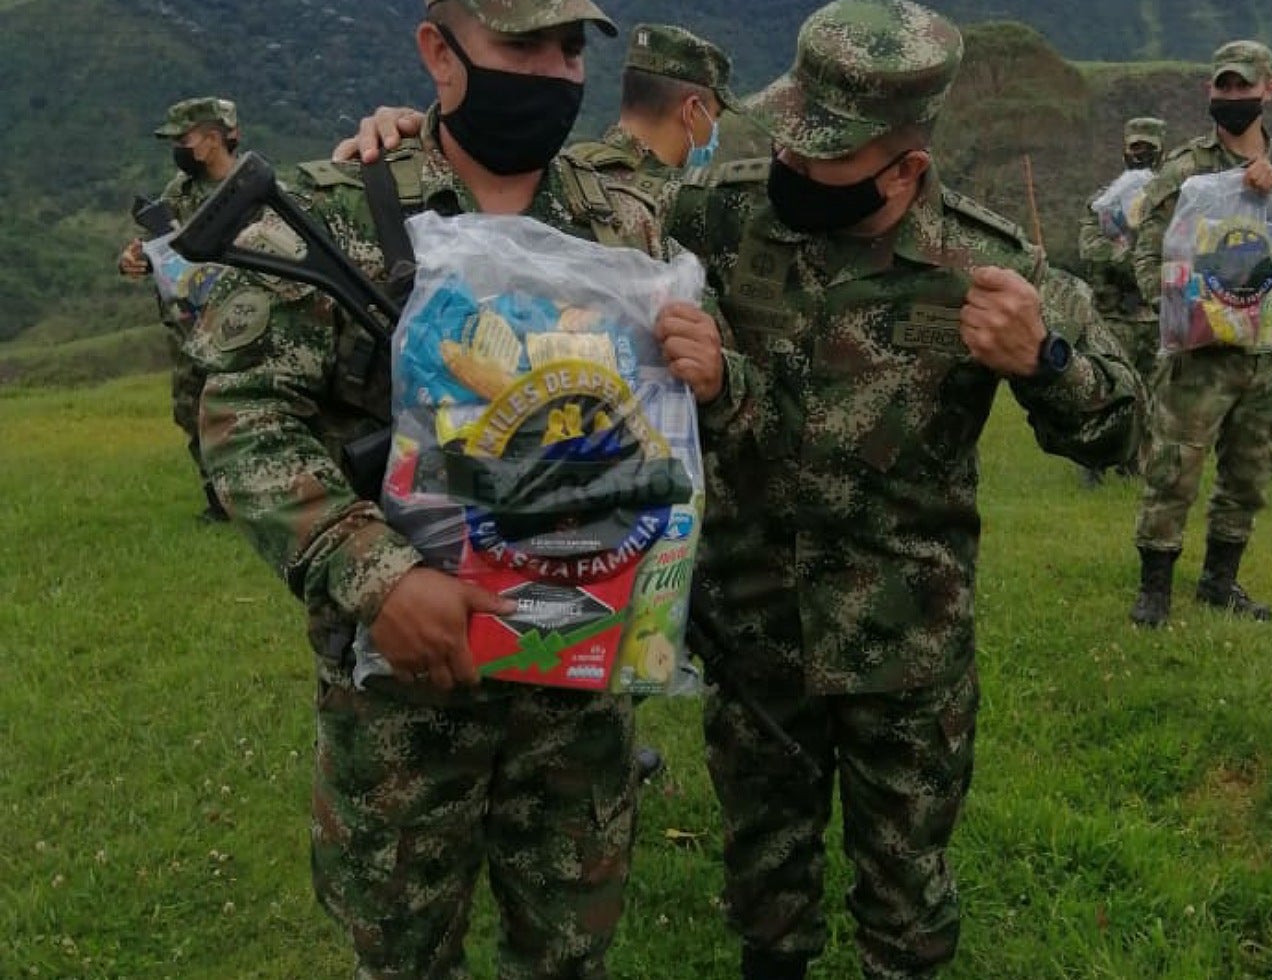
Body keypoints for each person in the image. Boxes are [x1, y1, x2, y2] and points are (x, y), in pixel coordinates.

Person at [188, 1, 723, 976]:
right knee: (402, 954)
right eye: (523, 45)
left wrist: (716, 371)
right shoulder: (342, 209)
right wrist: (377, 573)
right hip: (408, 692)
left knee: (569, 951)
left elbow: (688, 423)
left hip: (581, 686)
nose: (556, 73)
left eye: (570, 51)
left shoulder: (629, 225)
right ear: (439, 52)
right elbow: (246, 418)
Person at [664, 2, 1143, 977]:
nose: (792, 170)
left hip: (906, 653)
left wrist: (1046, 363)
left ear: (906, 168)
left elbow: (1127, 423)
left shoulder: (987, 267)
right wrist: (406, 151)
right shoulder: (724, 213)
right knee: (766, 880)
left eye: (823, 160)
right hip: (754, 629)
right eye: (788, 143)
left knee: (906, 894)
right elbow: (576, 220)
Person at [1128, 40, 1272, 628]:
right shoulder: (1184, 169)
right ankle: (1154, 591)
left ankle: (1220, 583)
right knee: (1173, 466)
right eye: (1224, 87)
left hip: (1265, 351)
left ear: (1268, 89)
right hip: (1199, 352)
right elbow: (1148, 246)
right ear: (1210, 92)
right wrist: (1170, 311)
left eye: (1244, 86)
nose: (1233, 97)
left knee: (1251, 470)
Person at [117, 96, 242, 522]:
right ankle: (218, 502)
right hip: (188, 329)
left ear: (211, 140)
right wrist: (135, 258)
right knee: (192, 409)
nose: (177, 149)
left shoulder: (253, 190)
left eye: (183, 140)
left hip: (242, 323)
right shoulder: (179, 192)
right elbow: (159, 249)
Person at [1075, 115, 1166, 485]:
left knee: (1152, 394)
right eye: (1135, 149)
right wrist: (1135, 254)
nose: (1141, 156)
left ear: (1161, 154)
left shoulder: (1169, 201)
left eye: (1149, 150)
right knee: (1105, 390)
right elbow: (1090, 248)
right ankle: (1092, 463)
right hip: (1112, 315)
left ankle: (1136, 463)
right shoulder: (1103, 202)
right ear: (1124, 152)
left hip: (1156, 316)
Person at [562, 21, 739, 203]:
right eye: (716, 115)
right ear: (692, 111)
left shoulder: (568, 166)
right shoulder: (678, 201)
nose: (715, 131)